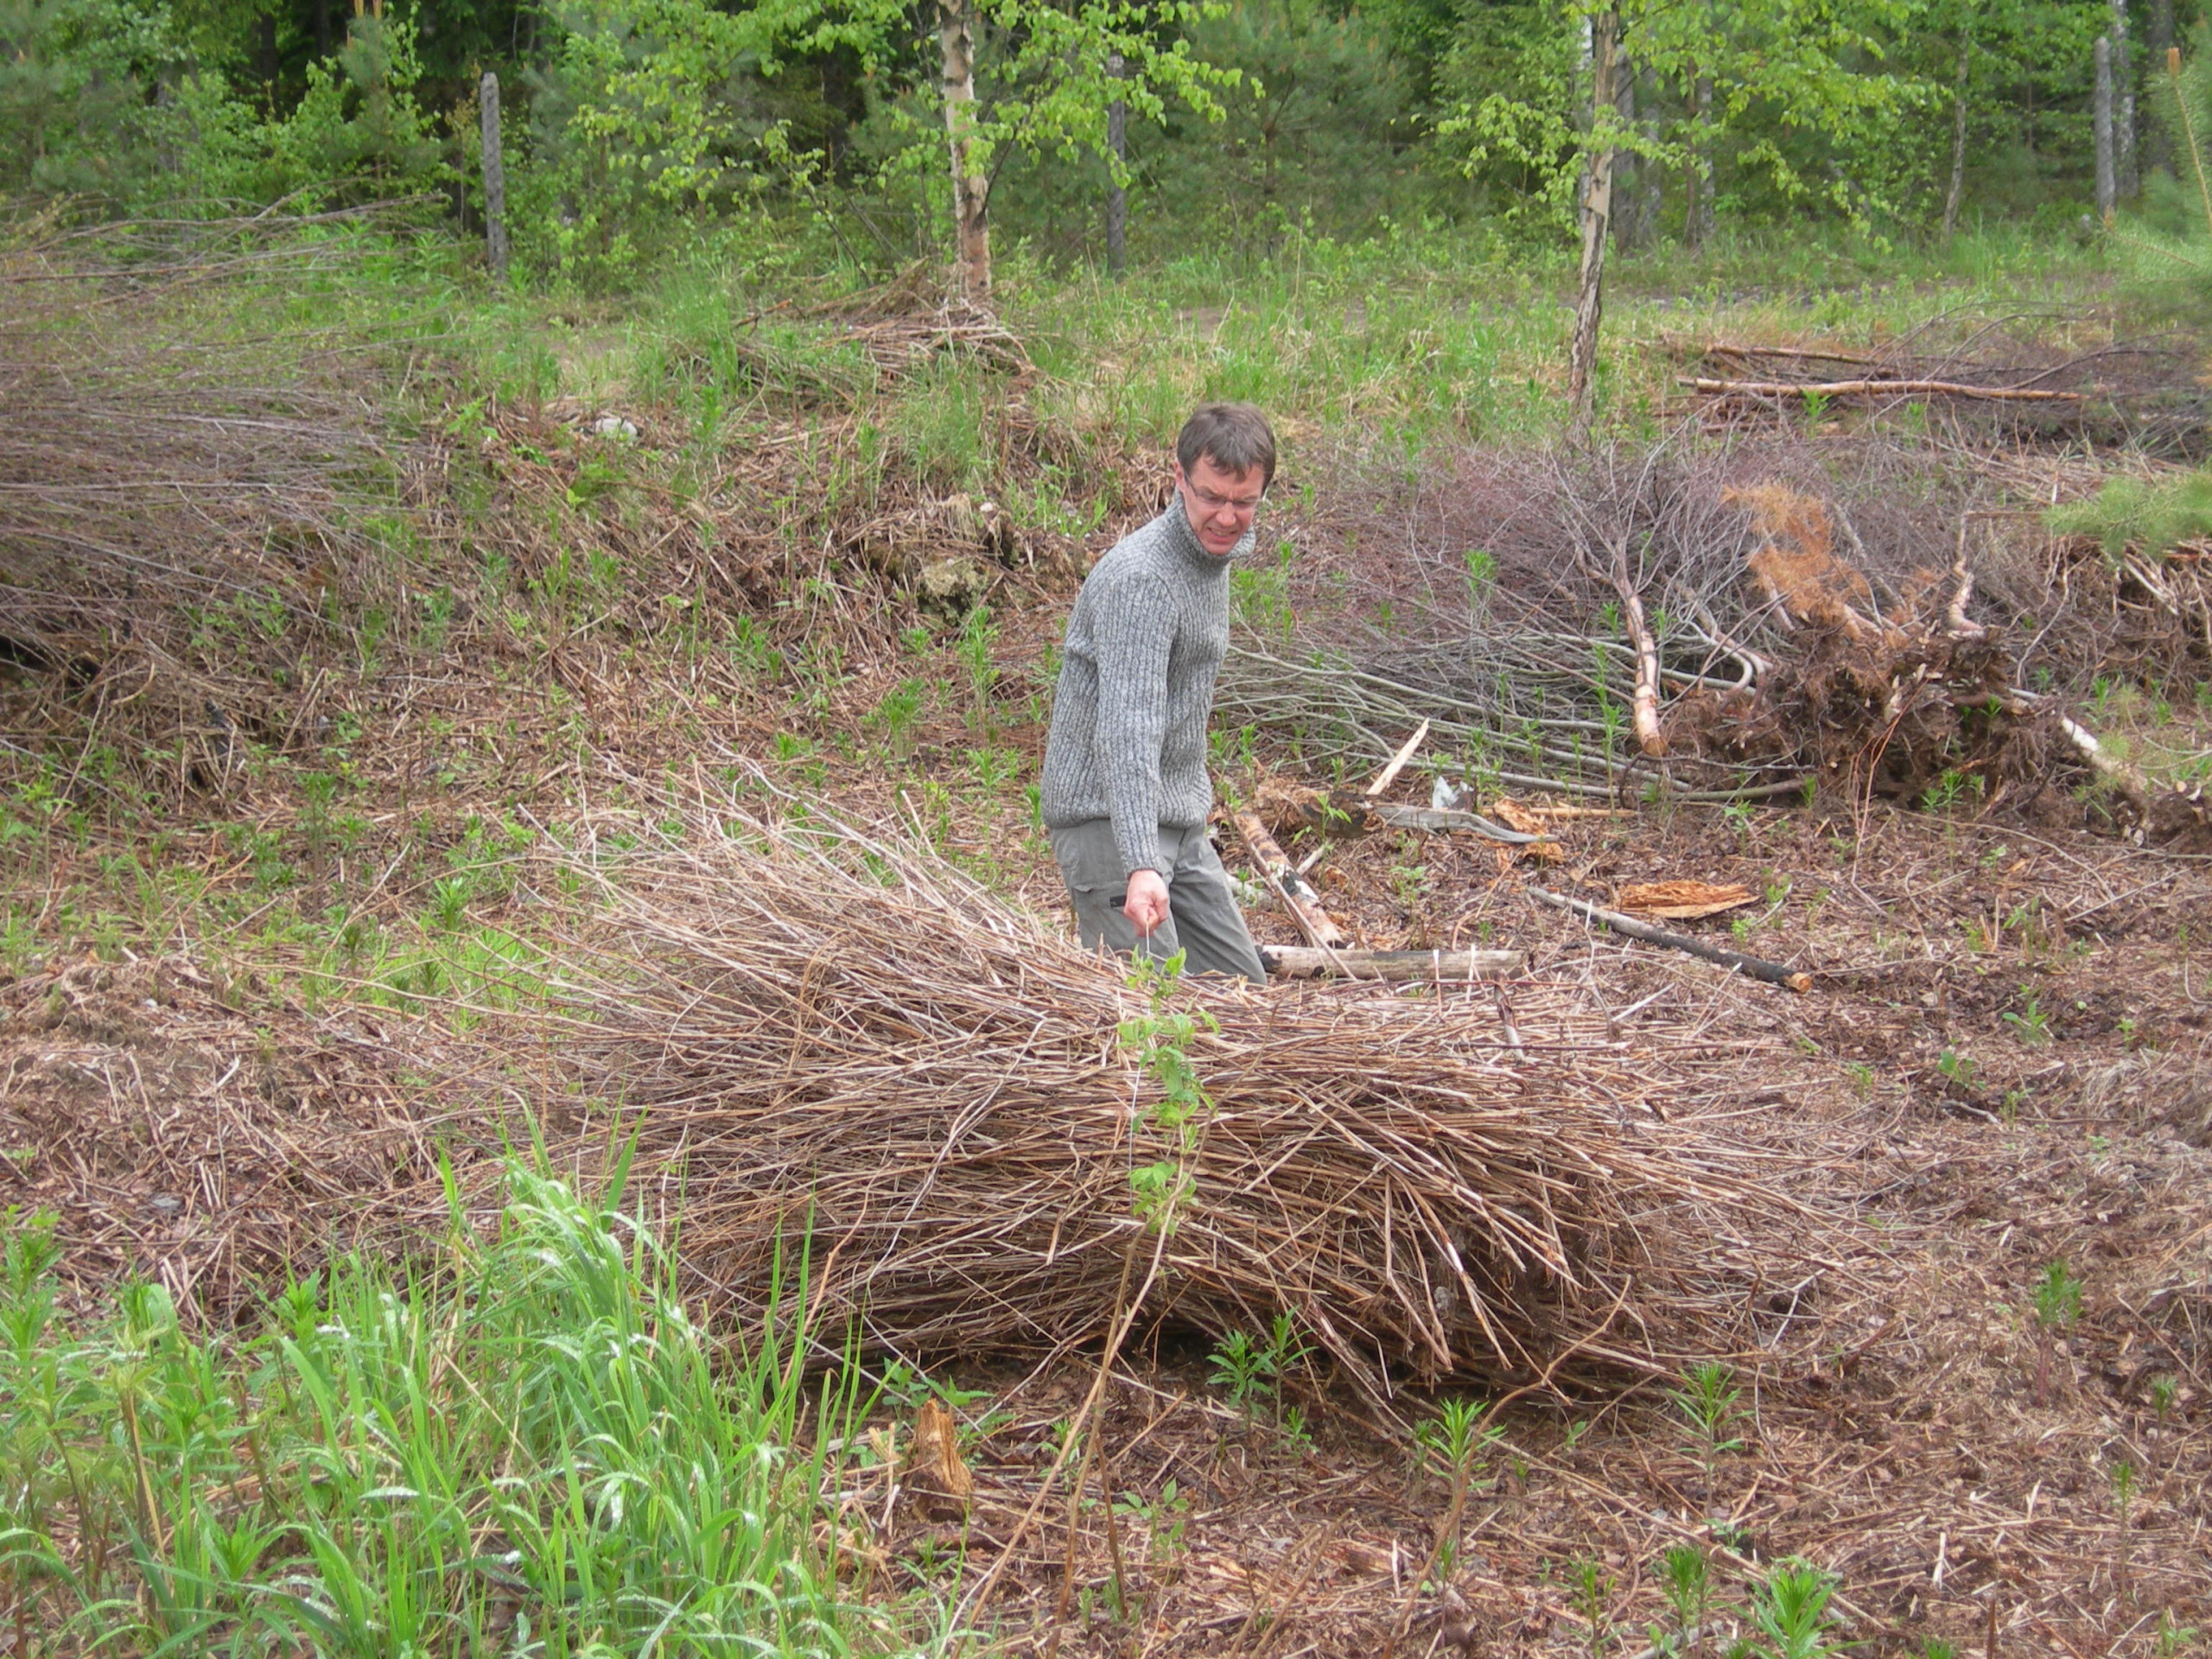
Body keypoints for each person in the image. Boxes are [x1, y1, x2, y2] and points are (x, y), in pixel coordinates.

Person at [1039, 402, 1274, 982]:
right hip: (1106, 820)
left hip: (1175, 820)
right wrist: (1141, 863)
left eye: (1244, 502)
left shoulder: (1209, 561)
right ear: (1179, 478)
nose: (1227, 517)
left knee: (1241, 994)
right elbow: (1129, 728)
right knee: (1155, 1007)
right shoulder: (1143, 580)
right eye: (1211, 497)